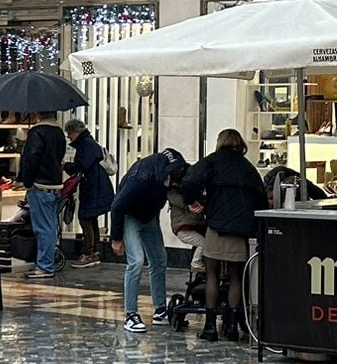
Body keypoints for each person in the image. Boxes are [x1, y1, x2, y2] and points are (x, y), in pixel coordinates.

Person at [182, 130, 267, 343]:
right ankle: (231, 326)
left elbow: (190, 179)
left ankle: (210, 327)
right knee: (236, 277)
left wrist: (193, 201)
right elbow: (260, 197)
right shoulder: (248, 168)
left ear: (220, 142)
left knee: (211, 274)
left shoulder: (212, 161)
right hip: (240, 230)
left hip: (216, 225)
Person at [111, 148, 185, 333]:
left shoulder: (170, 168)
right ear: (169, 181)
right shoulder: (140, 180)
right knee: (136, 261)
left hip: (149, 217)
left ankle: (160, 310)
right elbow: (117, 207)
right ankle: (130, 314)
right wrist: (116, 239)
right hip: (129, 216)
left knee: (159, 260)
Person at [16, 110, 68, 280]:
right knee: (50, 226)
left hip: (40, 185)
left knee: (43, 228)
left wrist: (26, 181)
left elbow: (31, 159)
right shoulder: (59, 132)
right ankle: (47, 262)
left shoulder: (37, 132)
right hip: (54, 184)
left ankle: (45, 266)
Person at [62, 117, 115, 267]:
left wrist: (66, 166)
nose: (68, 137)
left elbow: (81, 165)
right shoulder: (89, 142)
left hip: (94, 188)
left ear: (75, 132)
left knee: (85, 218)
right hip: (97, 187)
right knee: (91, 219)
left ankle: (89, 254)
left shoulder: (86, 145)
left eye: (69, 133)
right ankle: (95, 252)